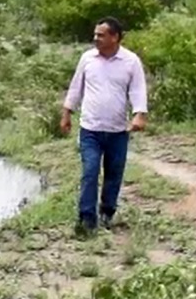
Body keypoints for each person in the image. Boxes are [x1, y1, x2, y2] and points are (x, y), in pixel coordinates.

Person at [59, 16, 148, 235]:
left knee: (113, 174)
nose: (95, 38)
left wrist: (139, 115)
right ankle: (87, 219)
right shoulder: (87, 59)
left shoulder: (130, 61)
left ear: (115, 37)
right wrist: (67, 113)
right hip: (90, 129)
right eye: (95, 34)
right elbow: (76, 87)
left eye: (101, 35)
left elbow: (138, 90)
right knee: (89, 171)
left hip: (117, 130)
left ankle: (107, 212)